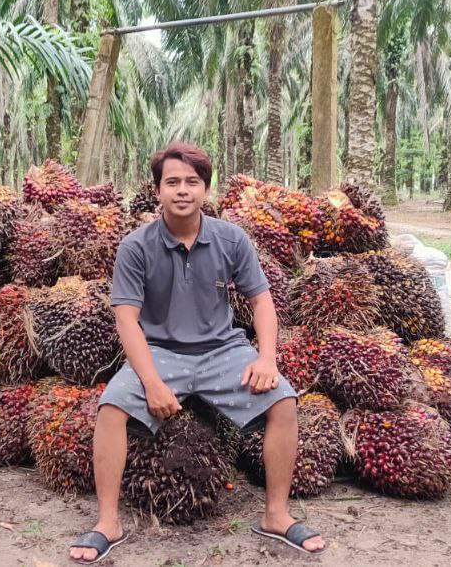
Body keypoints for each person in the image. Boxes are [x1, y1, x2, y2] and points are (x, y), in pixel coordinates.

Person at [68, 142, 327, 563]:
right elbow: (126, 321)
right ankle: (107, 522)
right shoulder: (136, 246)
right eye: (172, 182)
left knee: (283, 400)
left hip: (223, 351)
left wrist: (266, 359)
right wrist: (150, 382)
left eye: (192, 181)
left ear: (206, 188)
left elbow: (262, 302)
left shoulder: (231, 239)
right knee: (111, 407)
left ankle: (277, 515)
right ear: (157, 191)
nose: (182, 190)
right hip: (159, 353)